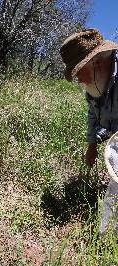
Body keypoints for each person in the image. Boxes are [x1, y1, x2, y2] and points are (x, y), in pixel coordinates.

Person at [60, 28, 118, 236]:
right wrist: (92, 145)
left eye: (79, 72)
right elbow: (93, 116)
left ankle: (110, 235)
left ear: (98, 62)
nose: (79, 80)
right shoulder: (95, 84)